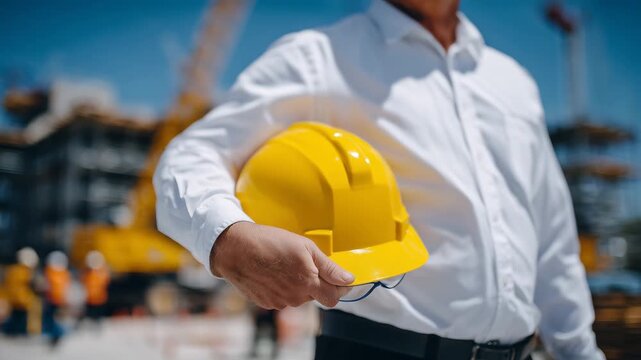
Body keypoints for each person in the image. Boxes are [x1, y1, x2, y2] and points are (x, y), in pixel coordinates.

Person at [153, 0, 604, 358]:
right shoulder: (320, 57)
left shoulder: (513, 83)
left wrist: (580, 351)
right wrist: (228, 239)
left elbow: (553, 240)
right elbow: (191, 155)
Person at [1, 247, 39, 336]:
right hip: (21, 299)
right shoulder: (24, 272)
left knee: (16, 317)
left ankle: (13, 331)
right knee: (20, 318)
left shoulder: (13, 270)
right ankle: (17, 332)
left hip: (15, 298)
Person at [42, 251, 71, 346]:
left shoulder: (52, 272)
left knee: (55, 320)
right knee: (52, 319)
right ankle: (54, 335)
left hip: (56, 300)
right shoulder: (61, 273)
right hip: (54, 300)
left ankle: (56, 335)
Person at [79, 251, 110, 326]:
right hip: (90, 298)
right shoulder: (87, 273)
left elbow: (105, 282)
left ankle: (96, 323)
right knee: (90, 313)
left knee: (97, 313)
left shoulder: (102, 273)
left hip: (99, 298)